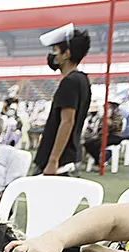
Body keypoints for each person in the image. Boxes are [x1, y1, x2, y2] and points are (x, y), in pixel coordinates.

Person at [32, 24, 91, 176]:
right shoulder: (82, 80)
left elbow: (67, 121)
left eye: (55, 50)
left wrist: (53, 160)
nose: (52, 55)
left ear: (66, 54)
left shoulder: (69, 82)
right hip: (70, 155)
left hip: (60, 161)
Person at [82, 100, 123, 165]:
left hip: (115, 136)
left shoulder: (117, 115)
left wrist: (108, 120)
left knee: (97, 144)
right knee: (87, 143)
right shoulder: (102, 116)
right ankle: (97, 160)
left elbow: (115, 127)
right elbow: (100, 128)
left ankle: (98, 162)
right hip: (103, 136)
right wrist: (97, 134)